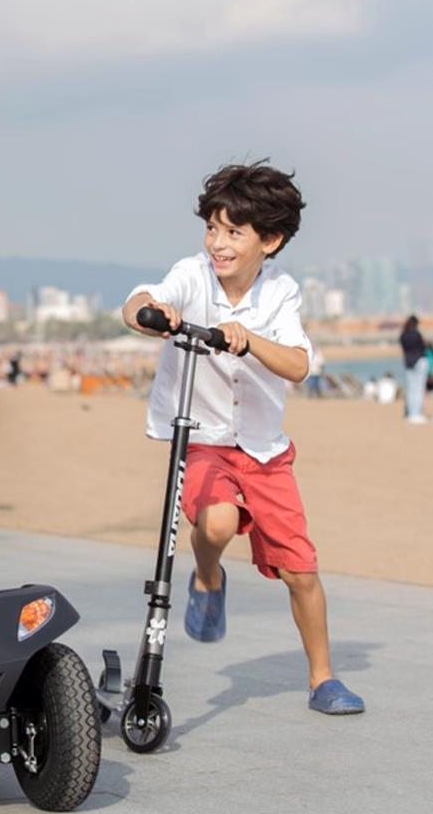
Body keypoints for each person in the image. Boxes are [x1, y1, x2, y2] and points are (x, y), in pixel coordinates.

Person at [122, 160, 364, 716]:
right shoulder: (192, 274)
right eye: (213, 228)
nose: (218, 243)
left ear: (271, 240)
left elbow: (299, 364)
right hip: (203, 438)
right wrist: (150, 312)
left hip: (264, 450)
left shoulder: (281, 293)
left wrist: (248, 339)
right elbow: (140, 301)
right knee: (220, 521)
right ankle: (209, 577)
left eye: (234, 232)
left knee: (301, 569)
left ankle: (323, 679)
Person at [399, 315, 428, 423]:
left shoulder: (403, 335)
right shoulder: (416, 334)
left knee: (411, 389)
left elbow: (404, 349)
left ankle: (411, 413)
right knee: (419, 388)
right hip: (419, 361)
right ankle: (417, 413)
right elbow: (422, 348)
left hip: (408, 363)